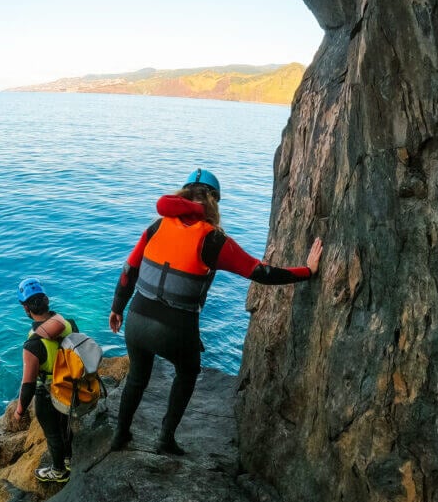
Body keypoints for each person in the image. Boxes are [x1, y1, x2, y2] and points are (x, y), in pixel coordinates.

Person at [108, 169, 323, 455]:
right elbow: (261, 272)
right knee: (187, 372)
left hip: (137, 319)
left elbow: (128, 270)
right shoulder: (212, 240)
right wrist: (306, 271)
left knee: (137, 376)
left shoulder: (157, 227)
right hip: (174, 329)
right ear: (213, 202)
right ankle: (165, 439)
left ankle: (120, 435)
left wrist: (117, 308)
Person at [15, 277, 77, 484]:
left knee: (53, 434)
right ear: (47, 300)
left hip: (48, 393)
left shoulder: (32, 344)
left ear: (26, 309)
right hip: (70, 385)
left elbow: (28, 385)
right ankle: (69, 458)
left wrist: (19, 410)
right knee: (66, 424)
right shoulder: (69, 324)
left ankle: (59, 471)